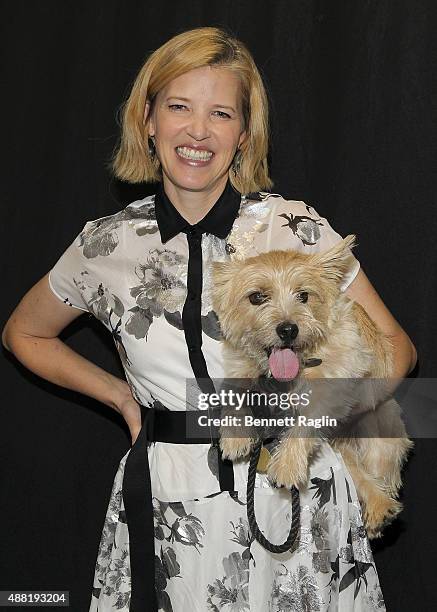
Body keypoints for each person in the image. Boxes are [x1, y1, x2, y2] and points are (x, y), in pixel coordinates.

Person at [2, 26, 416, 612]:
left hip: (297, 499)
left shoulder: (295, 226)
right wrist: (121, 398)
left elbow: (397, 347)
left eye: (221, 113)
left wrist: (327, 410)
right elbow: (23, 331)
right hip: (171, 505)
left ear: (244, 134)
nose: (198, 132)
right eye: (178, 107)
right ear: (148, 120)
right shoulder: (107, 244)